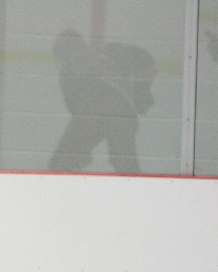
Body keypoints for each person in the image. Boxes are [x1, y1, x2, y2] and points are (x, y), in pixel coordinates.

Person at [48, 29, 156, 173]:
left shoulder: (67, 75)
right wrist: (141, 92)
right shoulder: (111, 50)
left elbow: (77, 111)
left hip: (95, 111)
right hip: (122, 110)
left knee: (60, 163)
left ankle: (69, 166)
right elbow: (147, 61)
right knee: (126, 166)